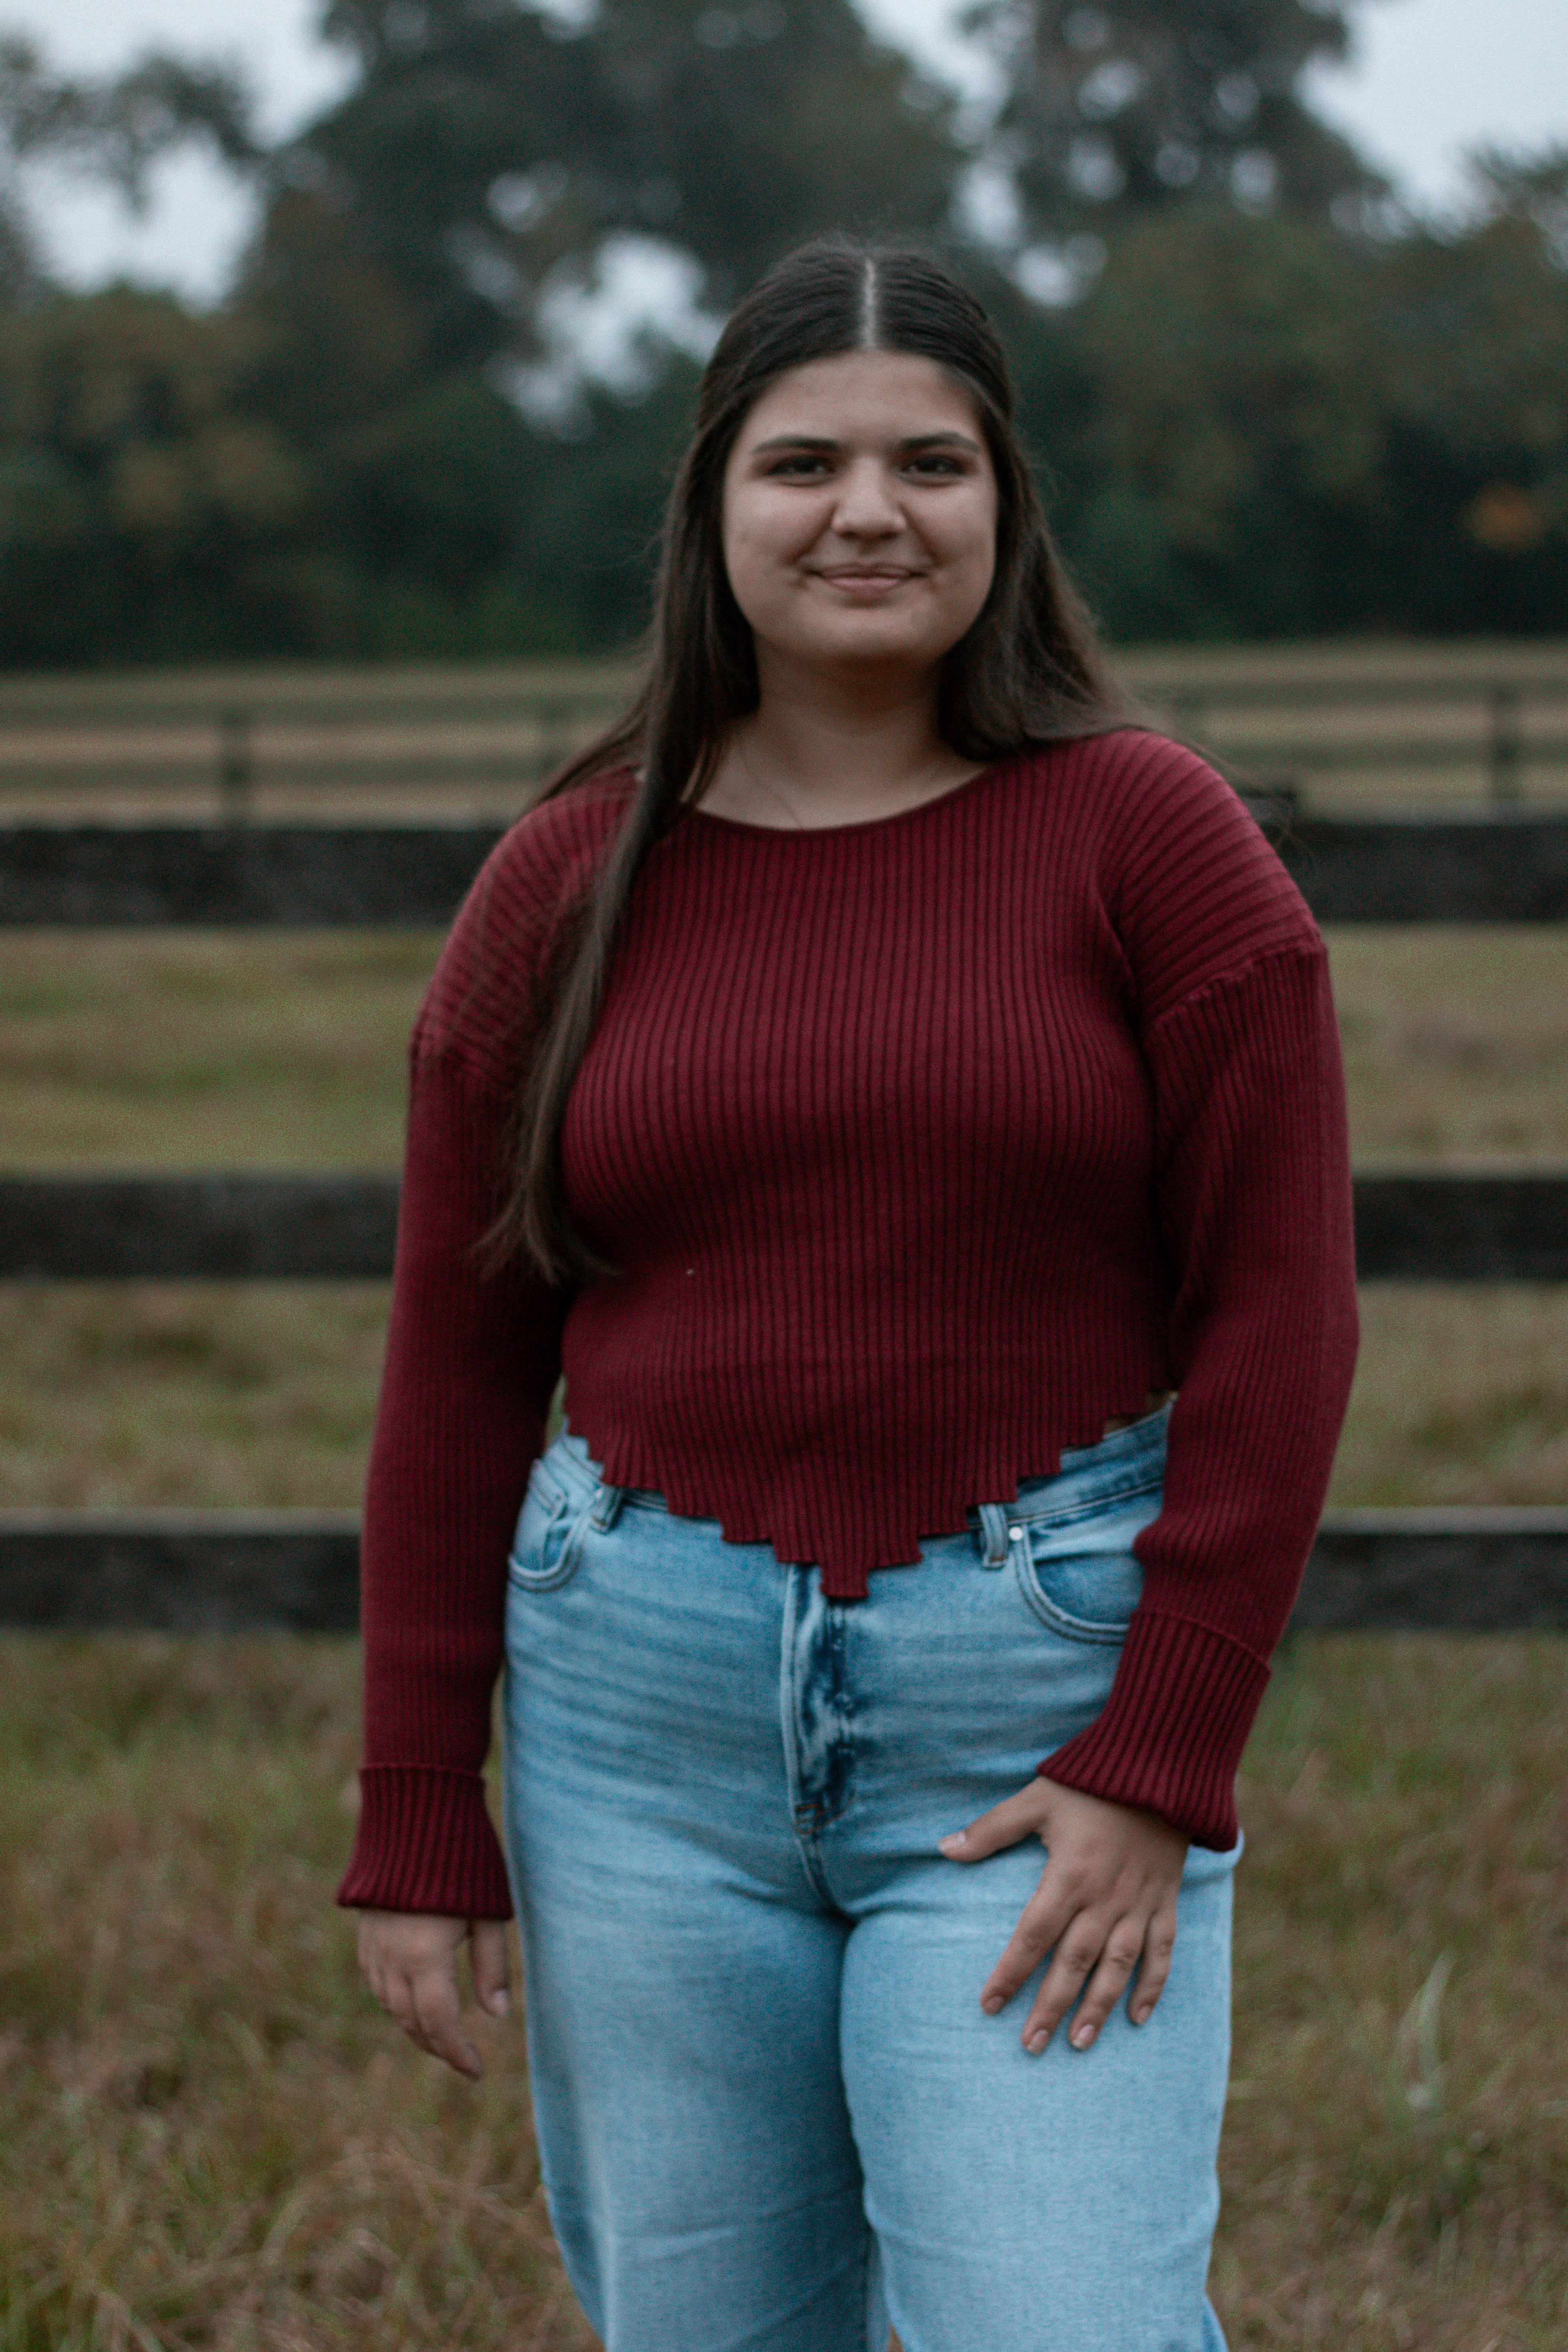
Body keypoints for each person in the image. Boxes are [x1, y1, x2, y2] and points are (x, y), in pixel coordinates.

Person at [340, 238, 1358, 2352]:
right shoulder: (565, 877)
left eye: (933, 460)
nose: (871, 510)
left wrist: (1164, 1751)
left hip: (1035, 1715)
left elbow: (1283, 1316)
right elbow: (457, 1361)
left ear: (1006, 503)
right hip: (641, 1726)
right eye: (803, 460)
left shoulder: (1152, 842)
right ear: (714, 508)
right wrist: (420, 1791)